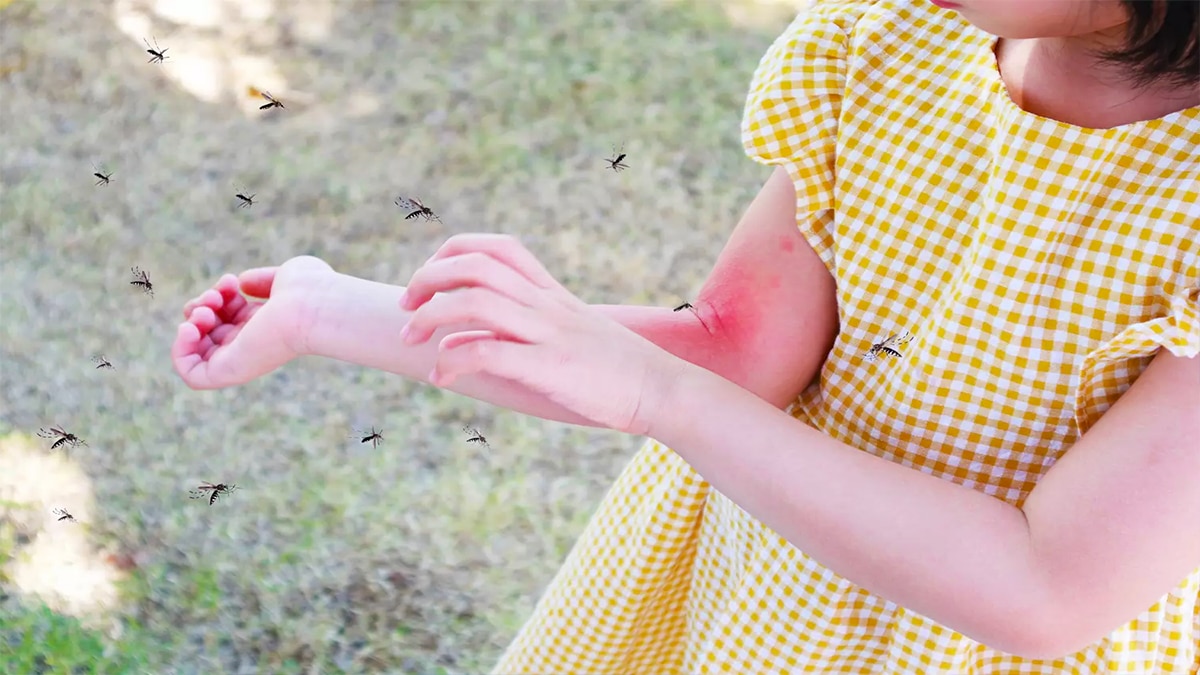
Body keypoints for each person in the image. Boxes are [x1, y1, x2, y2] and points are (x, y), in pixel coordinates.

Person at [172, 0, 1200, 671]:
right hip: (754, 620)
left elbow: (1046, 587)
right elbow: (733, 351)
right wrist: (328, 310)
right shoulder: (890, 45)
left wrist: (660, 398)